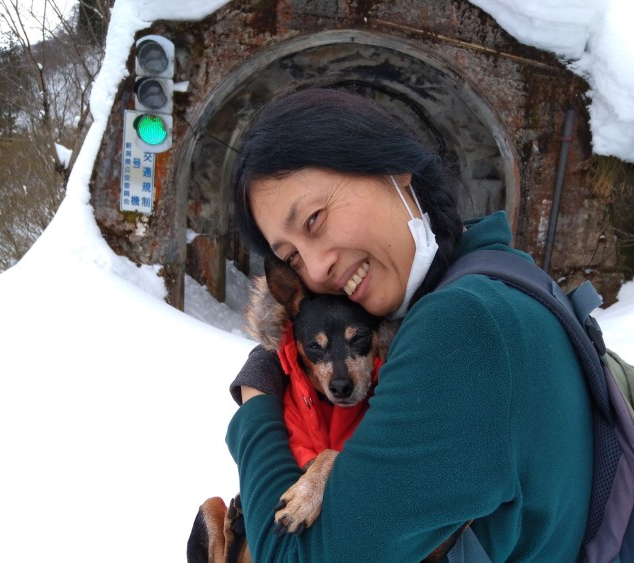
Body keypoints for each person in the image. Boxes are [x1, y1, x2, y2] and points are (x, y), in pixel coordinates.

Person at [225, 87, 593, 562]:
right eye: (292, 256)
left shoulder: (463, 328)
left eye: (315, 219)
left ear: (393, 168)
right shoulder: (502, 272)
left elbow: (292, 557)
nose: (315, 270)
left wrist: (258, 397)